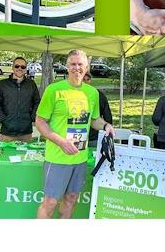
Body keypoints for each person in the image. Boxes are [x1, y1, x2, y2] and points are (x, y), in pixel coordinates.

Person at [35, 50, 114, 219]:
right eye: (73, 64)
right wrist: (61, 141)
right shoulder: (54, 90)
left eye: (80, 64)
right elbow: (40, 121)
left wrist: (106, 125)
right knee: (50, 202)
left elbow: (94, 120)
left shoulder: (92, 93)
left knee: (71, 199)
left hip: (80, 158)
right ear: (67, 66)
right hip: (57, 157)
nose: (76, 68)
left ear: (86, 67)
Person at [0, 57, 41, 142]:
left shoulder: (31, 84)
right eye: (17, 66)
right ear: (13, 67)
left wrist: (31, 118)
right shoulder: (2, 84)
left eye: (23, 67)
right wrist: (4, 120)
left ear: (26, 69)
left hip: (26, 133)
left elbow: (37, 102)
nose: (19, 69)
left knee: (25, 155)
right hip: (7, 133)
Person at [82, 72, 112, 144]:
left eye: (88, 79)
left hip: (94, 136)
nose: (85, 82)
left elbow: (107, 114)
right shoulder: (72, 95)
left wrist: (108, 128)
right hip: (76, 134)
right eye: (83, 79)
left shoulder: (98, 95)